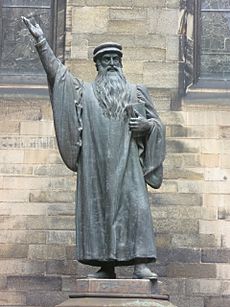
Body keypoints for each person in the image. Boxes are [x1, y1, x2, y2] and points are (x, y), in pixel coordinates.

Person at [22, 16, 165, 280]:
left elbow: (157, 124)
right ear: (97, 64)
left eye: (115, 60)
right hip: (96, 165)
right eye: (105, 60)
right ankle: (105, 266)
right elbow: (59, 74)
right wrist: (42, 42)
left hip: (129, 165)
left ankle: (140, 264)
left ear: (120, 64)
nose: (111, 64)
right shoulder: (83, 92)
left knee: (135, 207)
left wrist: (147, 126)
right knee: (98, 211)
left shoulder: (137, 92)